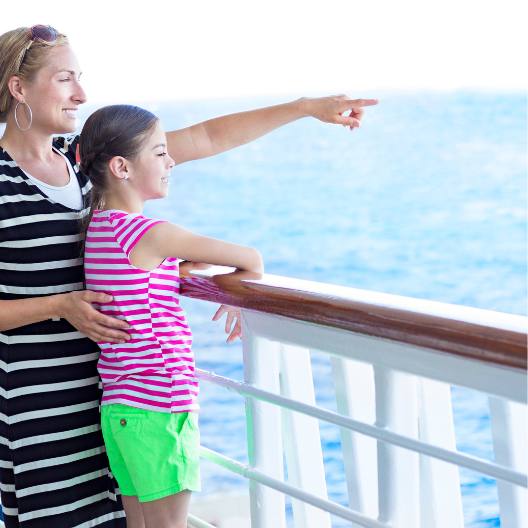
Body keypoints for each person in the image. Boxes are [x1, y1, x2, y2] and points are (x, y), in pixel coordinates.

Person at [0, 24, 377, 528]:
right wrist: (59, 305)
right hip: (41, 410)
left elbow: (204, 137)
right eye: (65, 78)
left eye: (80, 78)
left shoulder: (83, 162)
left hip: (118, 392)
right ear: (19, 88)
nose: (82, 94)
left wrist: (304, 107)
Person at [80, 103, 262, 528]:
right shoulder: (151, 234)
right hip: (160, 405)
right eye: (160, 152)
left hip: (122, 408)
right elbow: (250, 257)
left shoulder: (98, 230)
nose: (171, 161)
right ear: (122, 167)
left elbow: (132, 281)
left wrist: (171, 269)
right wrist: (237, 293)